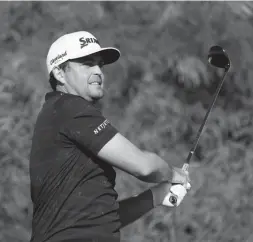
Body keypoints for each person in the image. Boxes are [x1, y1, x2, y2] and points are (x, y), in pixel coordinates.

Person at [29, 31, 191, 242]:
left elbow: (101, 220)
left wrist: (156, 196)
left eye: (100, 65)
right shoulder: (69, 107)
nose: (98, 71)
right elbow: (143, 166)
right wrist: (172, 173)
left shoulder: (58, 114)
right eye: (87, 64)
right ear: (60, 74)